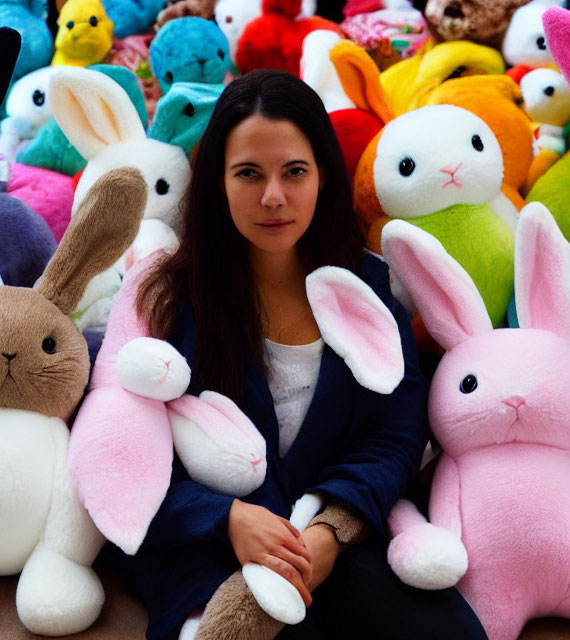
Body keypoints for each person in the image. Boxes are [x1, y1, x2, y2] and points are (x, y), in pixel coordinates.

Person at [96, 68, 488, 640]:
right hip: (204, 546)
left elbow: (396, 432)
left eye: (294, 172)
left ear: (323, 176)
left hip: (333, 535)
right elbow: (120, 444)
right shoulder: (167, 294)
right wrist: (224, 519)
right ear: (218, 183)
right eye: (248, 174)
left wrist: (334, 527)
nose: (274, 196)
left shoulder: (367, 285)